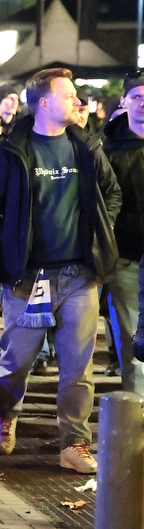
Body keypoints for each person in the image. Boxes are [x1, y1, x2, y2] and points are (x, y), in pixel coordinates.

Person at [0, 68, 120, 474]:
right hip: (27, 278)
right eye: (69, 95)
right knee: (16, 362)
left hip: (79, 276)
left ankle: (74, 443)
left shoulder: (85, 146)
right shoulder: (12, 150)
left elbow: (112, 191)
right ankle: (7, 412)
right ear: (43, 103)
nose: (79, 102)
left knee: (78, 365)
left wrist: (98, 232)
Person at [100, 71, 144, 394]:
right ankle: (138, 418)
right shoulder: (106, 150)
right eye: (137, 97)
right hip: (126, 257)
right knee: (133, 344)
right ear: (124, 102)